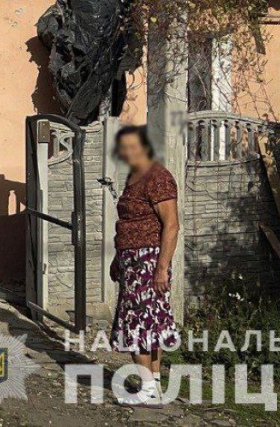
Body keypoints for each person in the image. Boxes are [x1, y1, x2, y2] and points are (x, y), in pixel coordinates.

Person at [109, 125, 181, 408]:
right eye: (124, 147)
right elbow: (128, 223)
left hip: (148, 262)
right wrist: (118, 257)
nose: (128, 152)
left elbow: (172, 226)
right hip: (132, 260)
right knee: (149, 325)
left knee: (138, 325)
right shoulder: (134, 176)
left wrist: (162, 268)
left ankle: (148, 388)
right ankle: (154, 385)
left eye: (133, 146)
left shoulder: (157, 177)